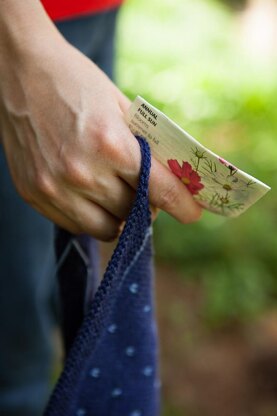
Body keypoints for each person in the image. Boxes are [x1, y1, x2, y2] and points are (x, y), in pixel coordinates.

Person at [0, 1, 202, 415]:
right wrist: (18, 43)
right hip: (27, 31)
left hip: (93, 14)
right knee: (14, 363)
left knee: (55, 288)